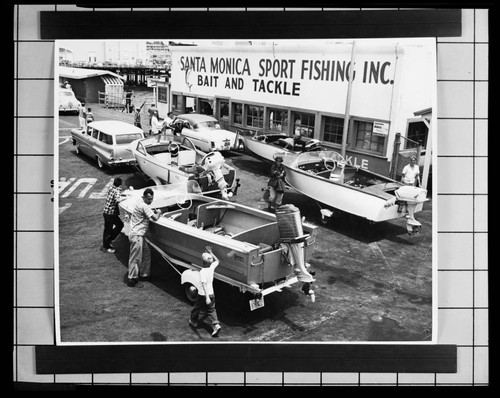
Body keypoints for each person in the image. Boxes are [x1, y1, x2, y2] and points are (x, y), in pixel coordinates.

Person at [127, 188, 162, 287]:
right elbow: (155, 218)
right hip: (137, 235)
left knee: (146, 254)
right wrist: (159, 212)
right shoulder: (144, 206)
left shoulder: (139, 201)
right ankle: (132, 279)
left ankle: (144, 274)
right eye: (149, 199)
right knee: (135, 258)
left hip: (138, 235)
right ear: (145, 197)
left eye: (151, 199)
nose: (150, 201)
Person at [189, 246, 222, 337]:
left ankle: (193, 321)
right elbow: (218, 261)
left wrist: (207, 297)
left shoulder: (202, 271)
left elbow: (203, 284)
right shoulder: (211, 268)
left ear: (202, 262)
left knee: (197, 308)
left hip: (203, 295)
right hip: (212, 293)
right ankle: (216, 324)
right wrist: (211, 253)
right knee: (211, 310)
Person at [101, 177, 124, 253]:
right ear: (120, 184)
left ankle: (109, 239)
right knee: (108, 230)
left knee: (119, 225)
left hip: (108, 212)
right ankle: (106, 246)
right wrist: (125, 198)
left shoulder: (111, 188)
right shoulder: (116, 191)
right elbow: (118, 200)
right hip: (110, 213)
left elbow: (116, 192)